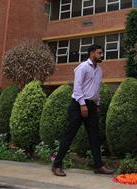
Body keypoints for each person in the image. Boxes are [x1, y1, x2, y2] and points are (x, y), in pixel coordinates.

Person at [51, 44, 114, 176]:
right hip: (78, 105)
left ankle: (98, 166)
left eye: (101, 53)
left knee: (94, 137)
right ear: (91, 53)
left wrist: (96, 104)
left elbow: (96, 89)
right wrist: (82, 104)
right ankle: (56, 165)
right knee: (69, 136)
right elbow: (77, 86)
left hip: (91, 106)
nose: (101, 55)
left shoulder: (99, 70)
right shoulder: (83, 67)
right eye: (99, 53)